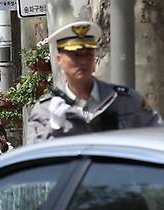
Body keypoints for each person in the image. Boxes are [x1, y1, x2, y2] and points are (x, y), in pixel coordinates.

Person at [27, 21, 162, 144]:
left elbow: (157, 138)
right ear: (59, 60)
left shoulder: (126, 101)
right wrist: (54, 129)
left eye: (89, 54)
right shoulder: (45, 111)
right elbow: (32, 162)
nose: (84, 61)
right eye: (76, 55)